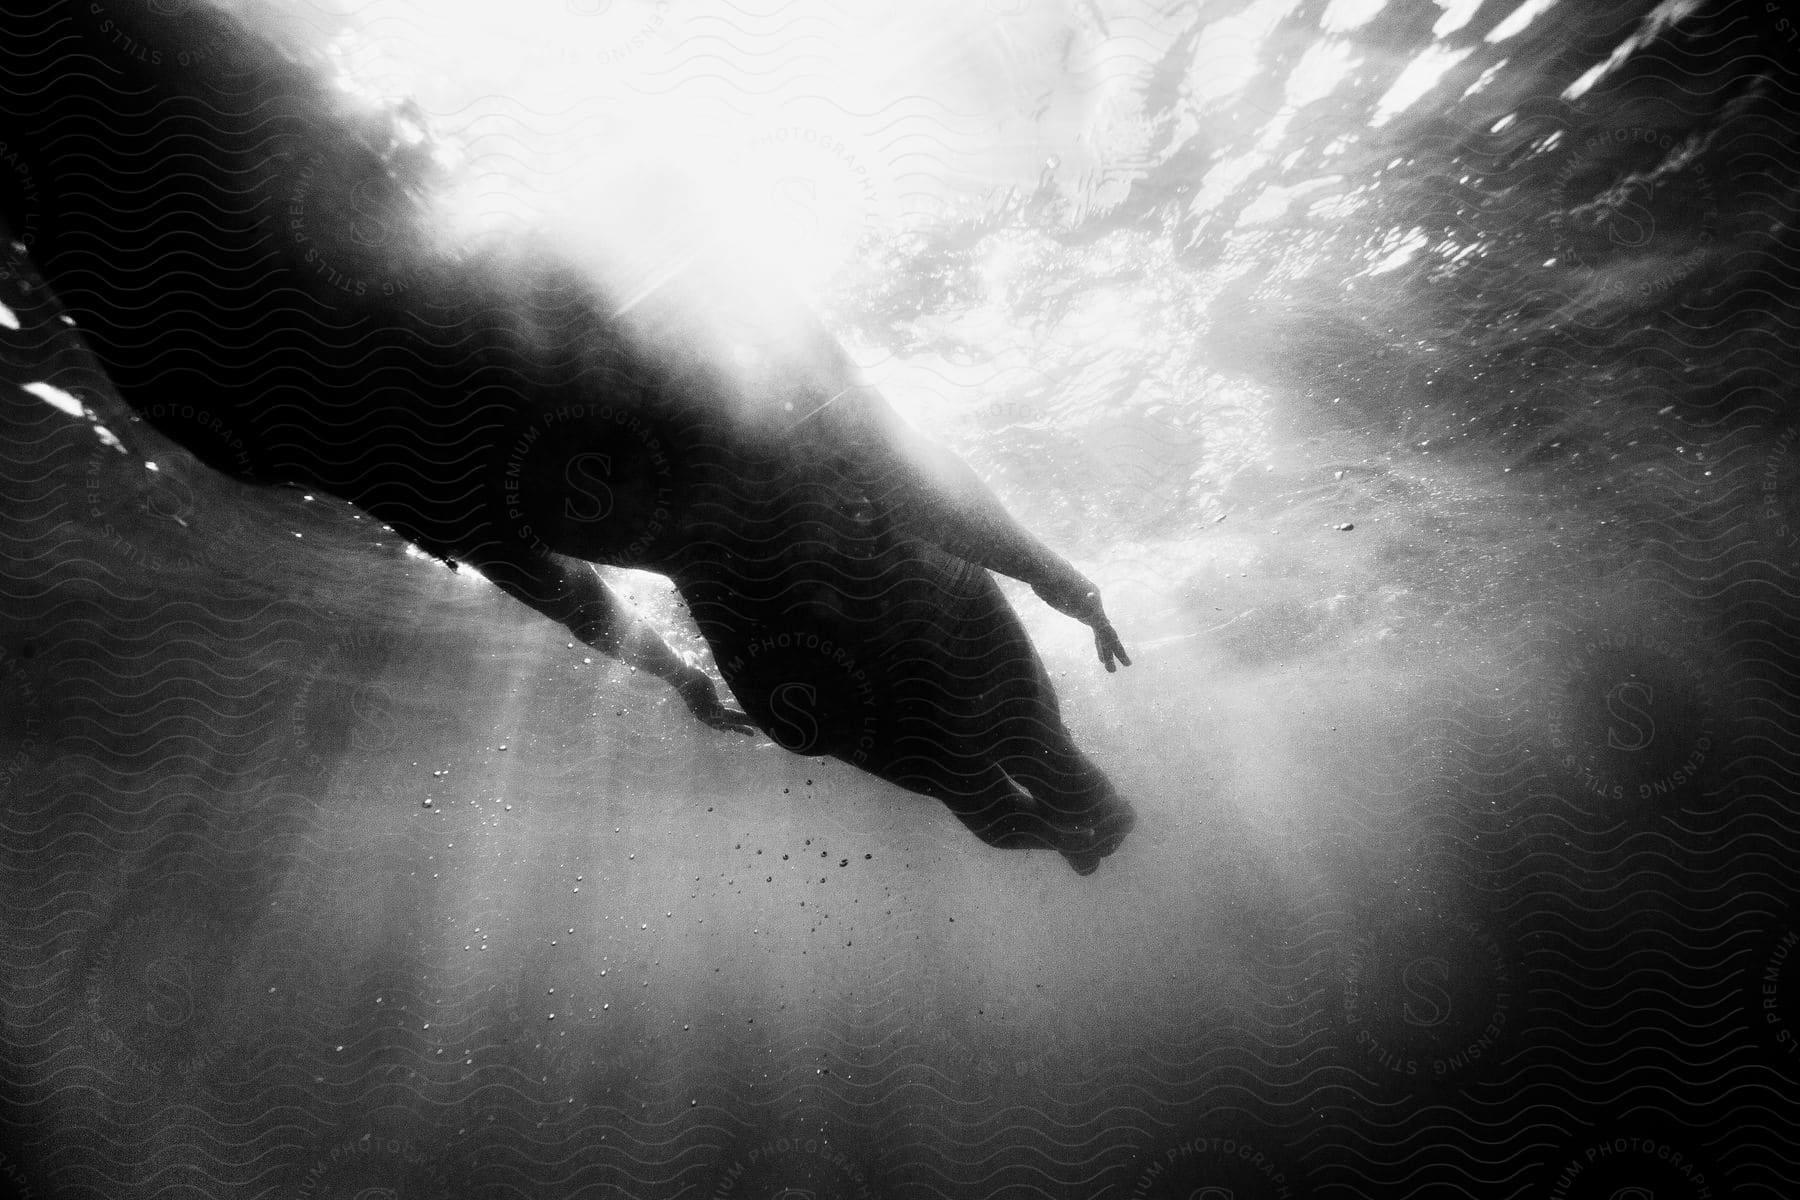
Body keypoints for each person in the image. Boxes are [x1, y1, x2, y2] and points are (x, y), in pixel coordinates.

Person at [0, 0, 1135, 872]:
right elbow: (858, 448)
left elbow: (851, 445)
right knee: (1006, 790)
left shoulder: (527, 309)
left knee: (1018, 788)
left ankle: (1065, 805)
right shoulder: (466, 343)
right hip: (824, 618)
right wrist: (1043, 572)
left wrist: (1042, 571)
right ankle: (1065, 807)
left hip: (821, 620)